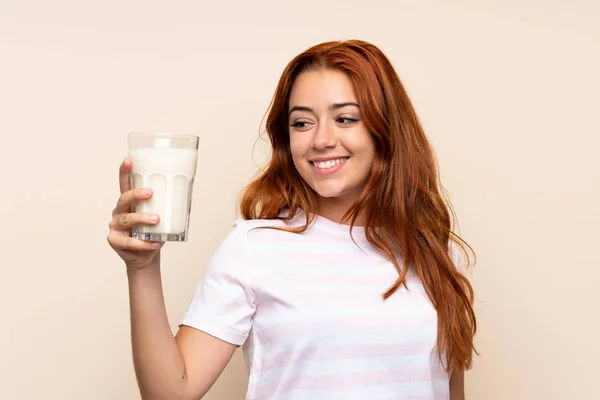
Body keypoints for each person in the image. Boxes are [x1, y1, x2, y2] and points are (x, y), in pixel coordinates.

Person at [107, 39, 477, 400]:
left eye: (345, 118)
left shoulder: (435, 251)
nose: (320, 139)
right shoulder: (254, 246)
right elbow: (171, 393)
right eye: (302, 123)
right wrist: (142, 267)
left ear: (386, 131)